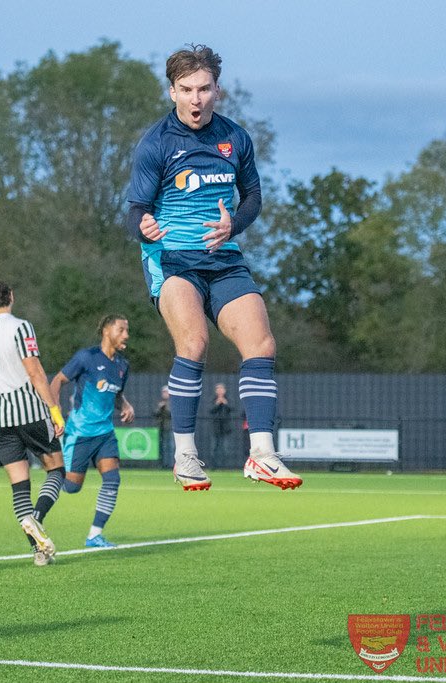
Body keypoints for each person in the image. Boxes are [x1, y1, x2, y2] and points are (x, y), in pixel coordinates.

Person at [126, 44, 301, 491]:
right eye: (186, 90)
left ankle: (262, 455)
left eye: (204, 89)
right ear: (172, 92)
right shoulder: (156, 143)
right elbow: (135, 210)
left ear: (217, 90)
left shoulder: (235, 138)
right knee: (195, 342)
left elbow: (253, 197)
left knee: (261, 344)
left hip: (224, 260)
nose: (196, 99)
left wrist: (233, 224)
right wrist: (144, 226)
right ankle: (185, 455)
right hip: (172, 259)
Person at [0, 279, 66, 566]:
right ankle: (36, 517)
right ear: (11, 296)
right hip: (29, 410)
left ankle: (39, 552)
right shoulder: (20, 326)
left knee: (19, 485)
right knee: (56, 470)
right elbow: (34, 372)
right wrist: (54, 410)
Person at [50, 315, 134, 548]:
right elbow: (57, 381)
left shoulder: (122, 366)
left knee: (112, 480)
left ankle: (94, 535)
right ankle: (51, 467)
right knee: (72, 487)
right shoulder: (86, 357)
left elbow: (116, 394)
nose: (126, 335)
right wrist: (55, 411)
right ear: (106, 331)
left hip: (105, 434)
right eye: (121, 330)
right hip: (80, 433)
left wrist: (125, 405)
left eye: (127, 330)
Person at [209, 383, 233, 466]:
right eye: (218, 389)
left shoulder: (228, 399)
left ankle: (226, 465)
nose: (220, 391)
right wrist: (217, 403)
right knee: (214, 447)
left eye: (221, 389)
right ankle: (214, 466)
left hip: (226, 428)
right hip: (215, 427)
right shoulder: (213, 399)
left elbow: (232, 409)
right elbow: (210, 410)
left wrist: (225, 403)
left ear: (224, 390)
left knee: (226, 448)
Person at [154, 385, 174, 467]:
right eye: (163, 392)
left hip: (171, 427)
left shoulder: (173, 403)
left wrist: (165, 408)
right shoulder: (160, 403)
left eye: (166, 392)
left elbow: (171, 414)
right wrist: (160, 408)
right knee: (163, 447)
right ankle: (164, 464)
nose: (164, 394)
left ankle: (171, 464)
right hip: (162, 427)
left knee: (171, 446)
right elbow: (155, 414)